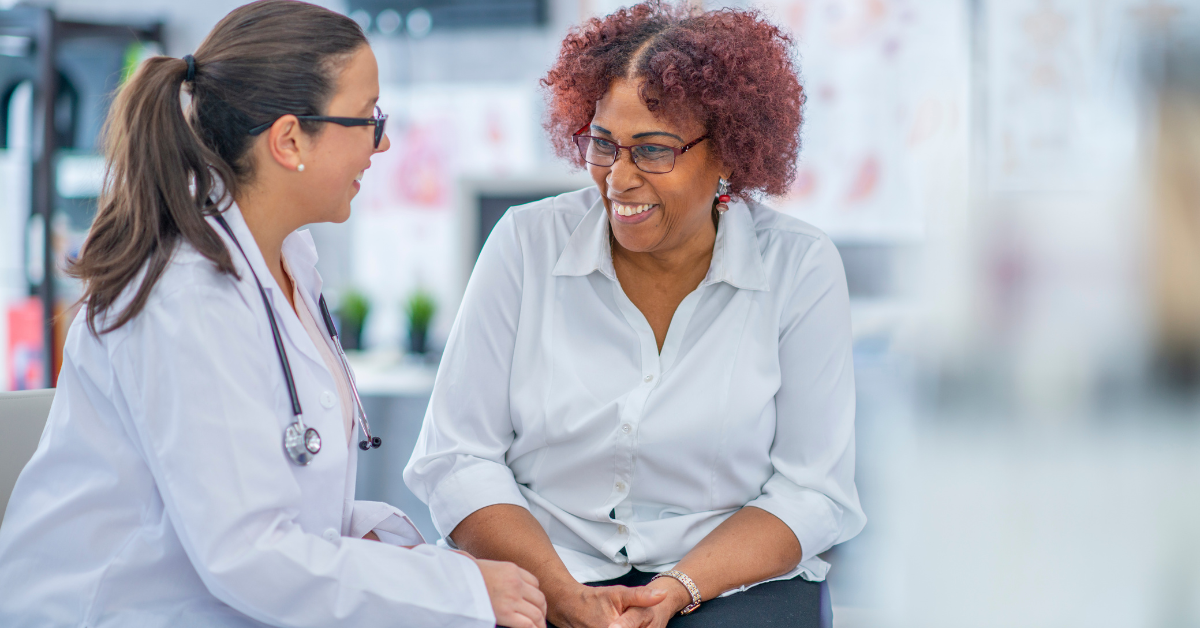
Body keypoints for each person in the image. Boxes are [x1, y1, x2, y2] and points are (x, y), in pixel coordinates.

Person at [0, 2, 546, 627]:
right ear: (289, 140)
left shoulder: (288, 259)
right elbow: (246, 553)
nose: (384, 141)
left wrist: (388, 545)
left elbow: (276, 495)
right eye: (368, 118)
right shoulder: (186, 295)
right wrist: (457, 588)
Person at [403, 2, 866, 627]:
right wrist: (562, 595)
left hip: (725, 580)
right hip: (544, 565)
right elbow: (457, 458)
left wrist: (678, 587)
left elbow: (813, 490)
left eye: (652, 150)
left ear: (729, 153)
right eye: (602, 143)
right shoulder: (525, 244)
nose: (617, 178)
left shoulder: (800, 268)